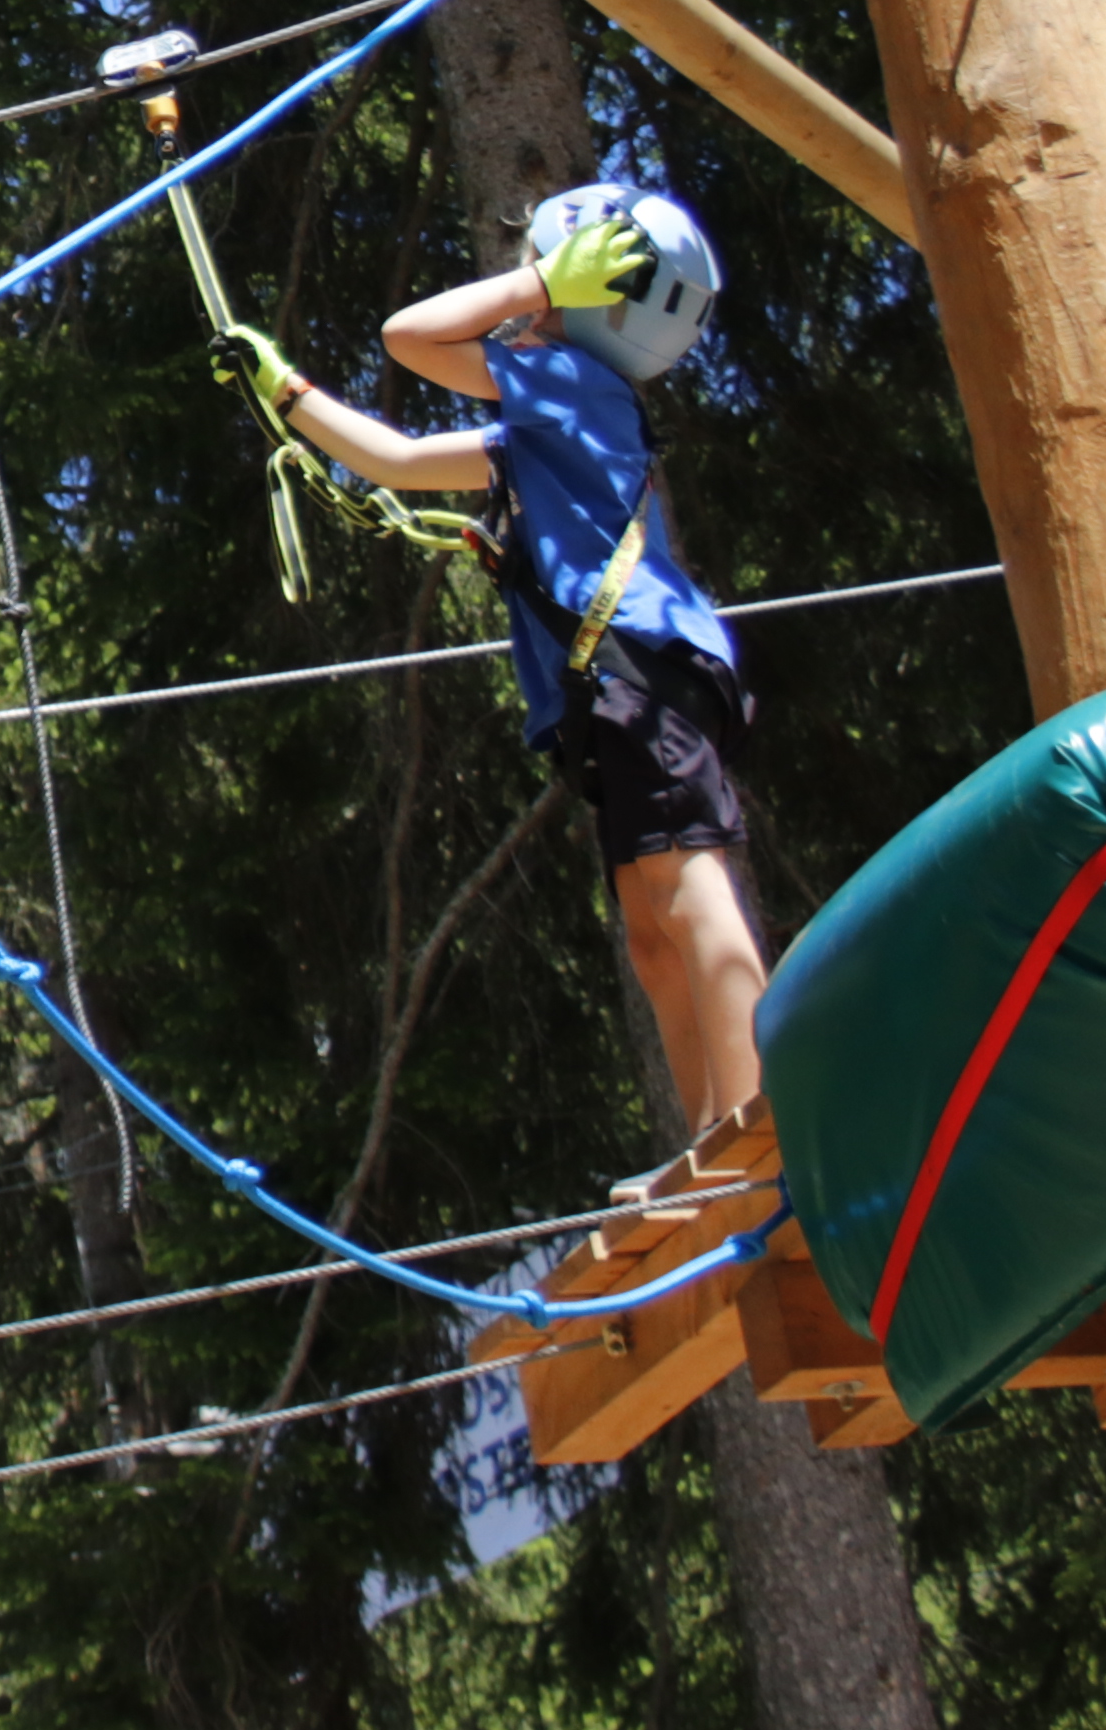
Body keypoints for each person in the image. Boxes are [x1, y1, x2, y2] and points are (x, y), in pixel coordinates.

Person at [230, 186, 773, 1134]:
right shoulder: (560, 415)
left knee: (687, 889)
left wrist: (529, 280)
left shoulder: (570, 383)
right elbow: (398, 462)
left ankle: (761, 1119)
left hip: (641, 670)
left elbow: (408, 336)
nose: (530, 296)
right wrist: (287, 395)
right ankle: (713, 1139)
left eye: (553, 274)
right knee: (652, 930)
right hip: (623, 684)